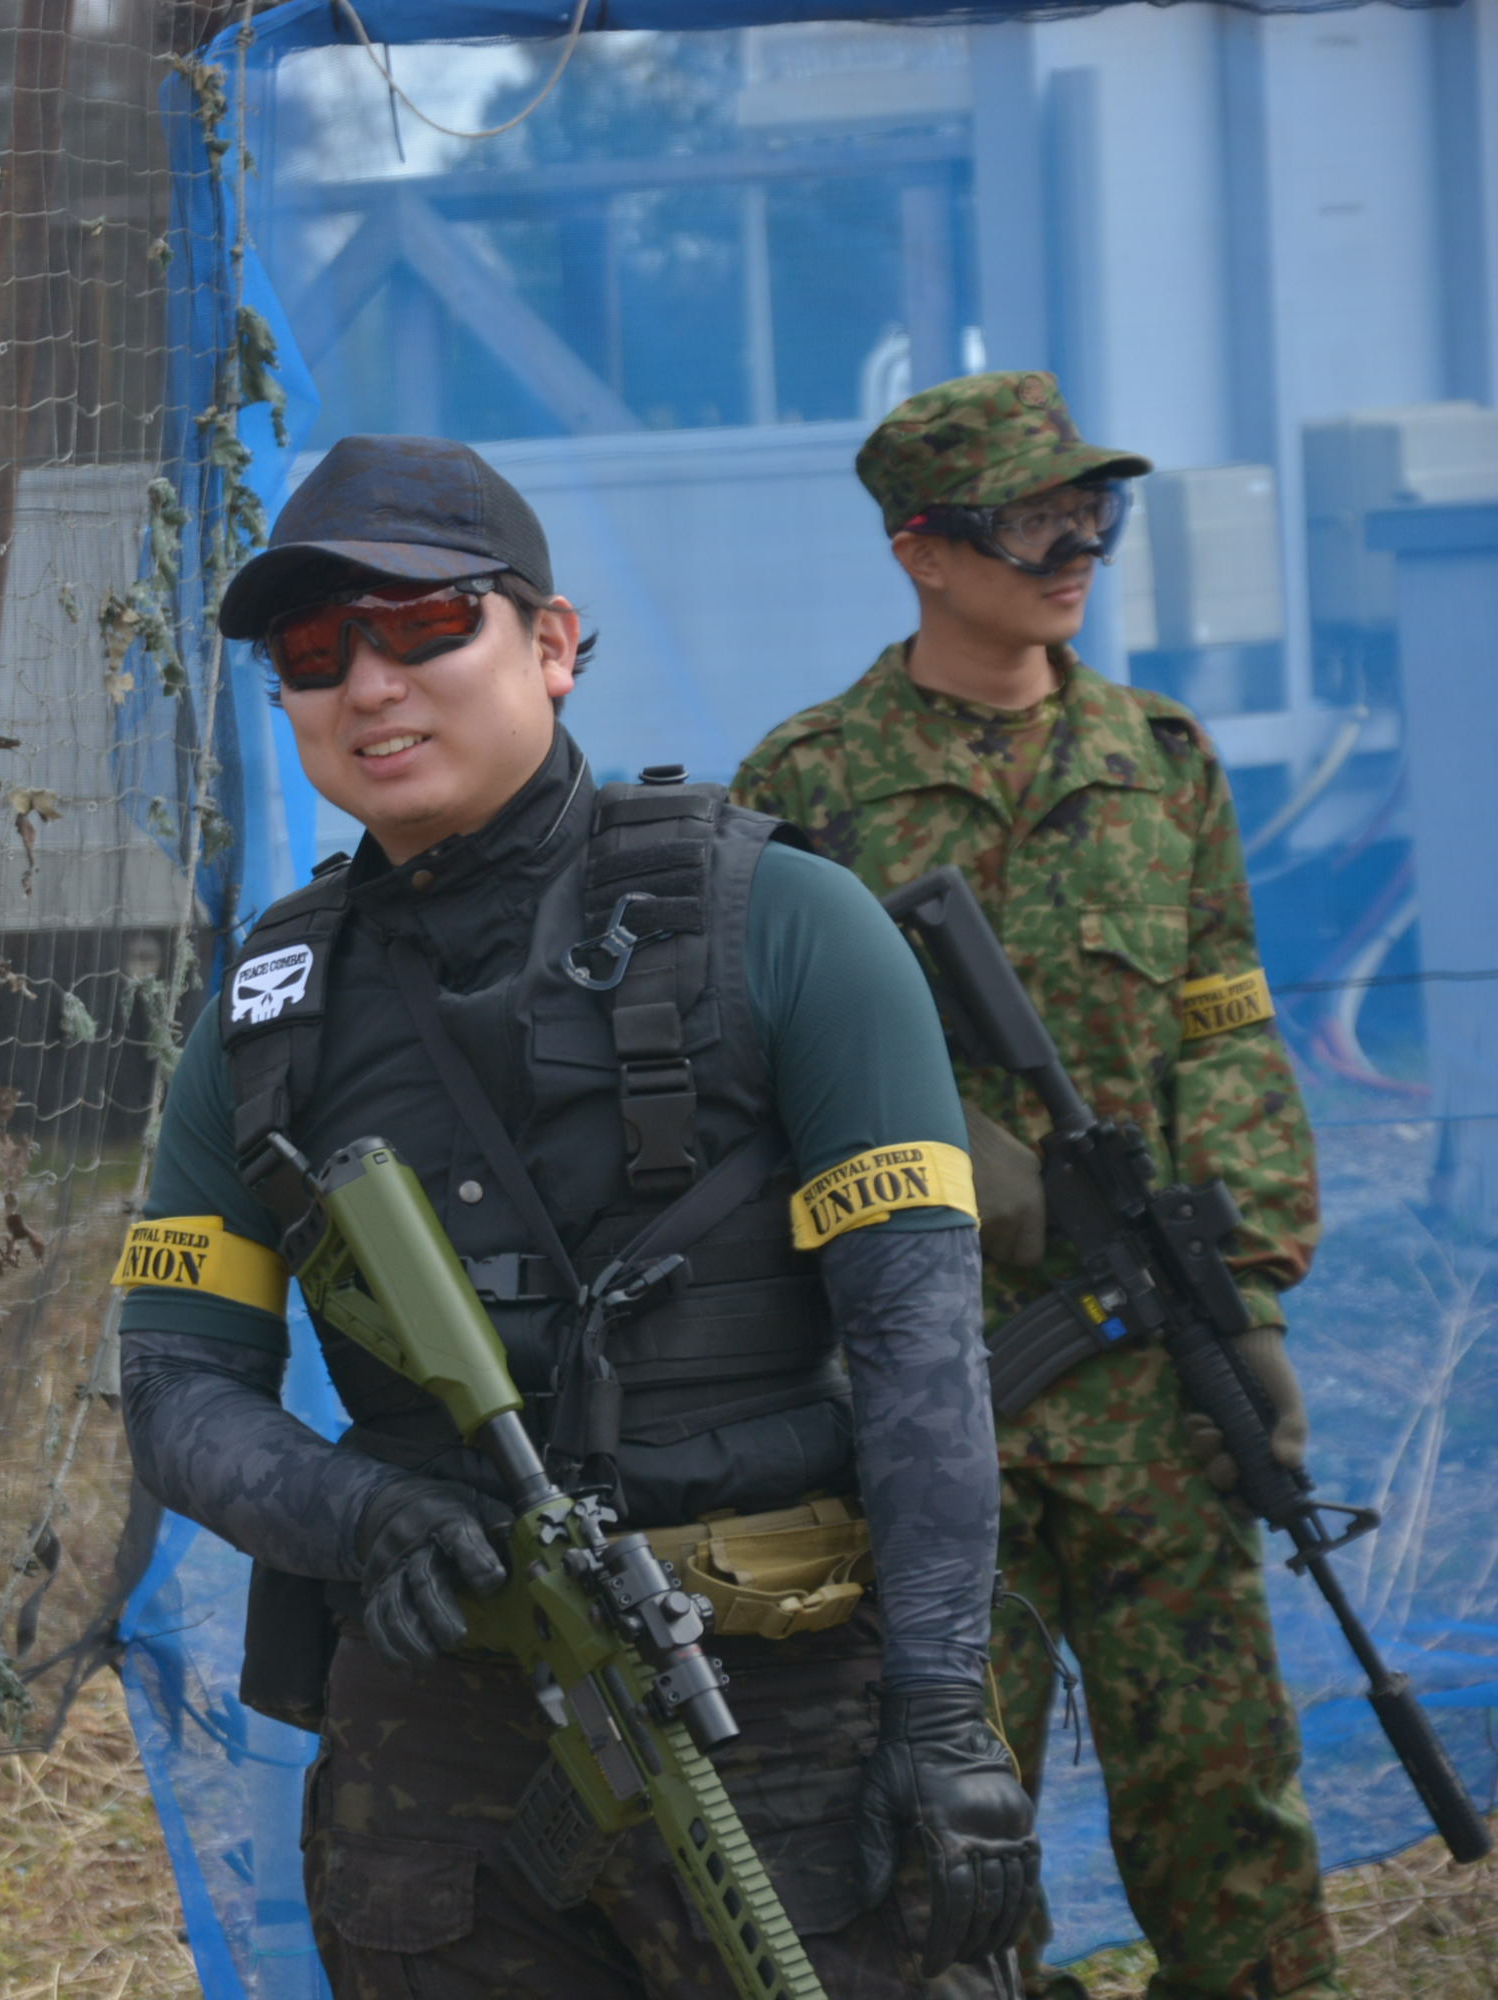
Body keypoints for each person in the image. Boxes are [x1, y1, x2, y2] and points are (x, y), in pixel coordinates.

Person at [115, 433, 1037, 1998]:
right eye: (316, 653)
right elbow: (174, 1384)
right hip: (439, 1744)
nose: (370, 685)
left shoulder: (787, 923)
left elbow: (920, 1351)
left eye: (425, 624)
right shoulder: (272, 1010)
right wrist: (364, 1515)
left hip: (778, 1719)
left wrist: (944, 1716)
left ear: (551, 642)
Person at [731, 371, 1335, 2000]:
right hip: (928, 1393)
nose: (1079, 550)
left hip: (1150, 1381)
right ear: (923, 551)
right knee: (951, 1830)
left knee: (1226, 1799)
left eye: (1094, 513)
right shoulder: (810, 780)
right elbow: (754, 1066)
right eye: (1033, 521)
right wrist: (956, 1168)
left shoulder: (1161, 761)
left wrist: (1248, 1301)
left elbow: (1225, 1027)